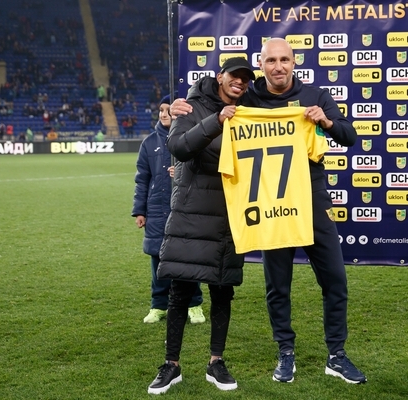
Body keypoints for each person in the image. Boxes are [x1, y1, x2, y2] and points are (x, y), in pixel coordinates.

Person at [170, 38, 366, 385]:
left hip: (312, 201)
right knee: (278, 285)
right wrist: (183, 103)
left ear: (294, 62)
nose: (278, 66)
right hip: (270, 204)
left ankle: (337, 354)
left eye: (284, 60)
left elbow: (349, 136)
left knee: (335, 280)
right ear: (261, 66)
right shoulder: (250, 97)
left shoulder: (315, 96)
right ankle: (285, 352)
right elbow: (216, 94)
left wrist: (326, 122)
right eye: (271, 61)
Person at [146, 57, 254, 395]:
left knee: (223, 289)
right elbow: (179, 147)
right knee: (180, 289)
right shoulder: (190, 106)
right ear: (220, 76)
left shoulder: (251, 109)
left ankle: (216, 362)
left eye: (246, 79)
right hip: (192, 212)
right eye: (235, 75)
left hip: (229, 214)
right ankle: (171, 364)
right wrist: (216, 120)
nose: (240, 82)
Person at [132, 94, 205, 326]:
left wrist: (184, 170)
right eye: (161, 110)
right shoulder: (149, 143)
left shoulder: (191, 138)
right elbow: (142, 179)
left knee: (188, 258)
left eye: (168, 110)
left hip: (186, 209)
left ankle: (194, 304)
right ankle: (158, 305)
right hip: (156, 210)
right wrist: (140, 210)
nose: (164, 114)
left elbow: (204, 170)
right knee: (158, 258)